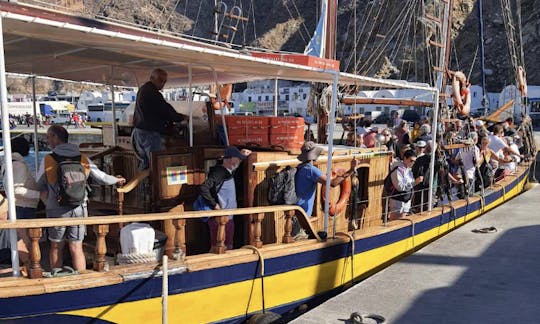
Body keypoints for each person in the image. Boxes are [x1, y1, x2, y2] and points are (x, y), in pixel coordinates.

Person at [37, 125, 126, 272]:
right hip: (79, 208)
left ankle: (57, 278)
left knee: (56, 245)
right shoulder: (82, 158)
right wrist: (116, 180)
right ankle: (82, 276)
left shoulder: (48, 159)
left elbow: (38, 184)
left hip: (57, 210)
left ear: (55, 137)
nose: (47, 140)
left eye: (48, 137)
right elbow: (102, 177)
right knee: (76, 246)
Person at [197, 146, 251, 251]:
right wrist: (214, 205)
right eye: (238, 158)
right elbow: (204, 187)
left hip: (227, 217)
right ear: (231, 159)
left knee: (227, 245)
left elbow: (235, 167)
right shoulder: (219, 172)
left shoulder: (227, 171)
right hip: (220, 218)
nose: (239, 161)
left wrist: (243, 155)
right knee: (219, 247)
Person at [132, 68, 188, 169]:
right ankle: (154, 184)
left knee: (145, 163)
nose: (162, 84)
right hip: (149, 133)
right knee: (155, 163)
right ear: (152, 78)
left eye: (164, 81)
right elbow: (165, 110)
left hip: (139, 132)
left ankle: (142, 183)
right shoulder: (152, 93)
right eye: (161, 80)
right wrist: (180, 117)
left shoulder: (143, 89)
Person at [1, 137, 40, 265]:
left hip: (16, 205)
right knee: (27, 240)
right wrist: (40, 194)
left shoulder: (8, 163)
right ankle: (32, 266)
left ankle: (28, 265)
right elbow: (16, 189)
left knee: (20, 239)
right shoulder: (19, 165)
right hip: (23, 206)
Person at [295, 141, 358, 220]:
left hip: (297, 211)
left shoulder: (300, 167)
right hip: (303, 215)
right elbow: (332, 183)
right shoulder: (312, 170)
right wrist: (351, 170)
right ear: (315, 155)